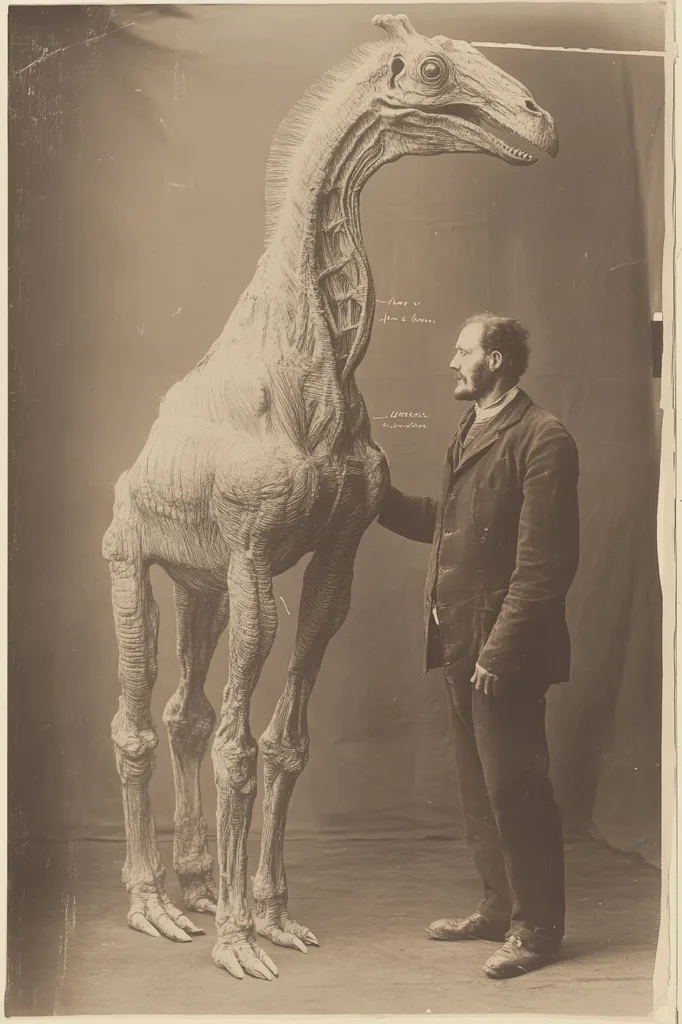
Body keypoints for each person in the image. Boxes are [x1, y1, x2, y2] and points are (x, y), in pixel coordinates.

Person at [377, 312, 580, 979]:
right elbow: (453, 524)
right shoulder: (473, 426)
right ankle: (497, 907)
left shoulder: (544, 438)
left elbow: (545, 564)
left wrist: (500, 649)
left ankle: (538, 930)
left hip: (502, 652)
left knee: (516, 784)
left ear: (495, 360)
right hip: (459, 642)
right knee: (479, 787)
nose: (452, 363)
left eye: (462, 351)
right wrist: (382, 502)